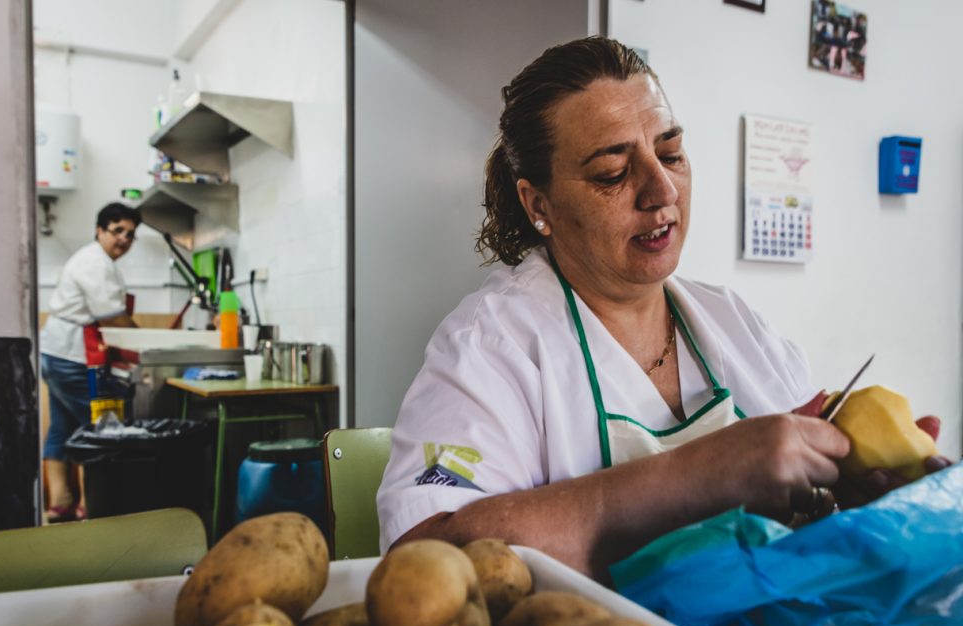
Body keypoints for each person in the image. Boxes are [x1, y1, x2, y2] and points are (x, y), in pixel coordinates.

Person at [376, 37, 948, 581]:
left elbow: (808, 513)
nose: (662, 191)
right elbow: (421, 562)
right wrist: (693, 478)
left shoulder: (733, 323)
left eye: (670, 154)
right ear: (538, 203)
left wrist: (848, 497)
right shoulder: (492, 346)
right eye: (612, 173)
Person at [39, 202, 141, 522]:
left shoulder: (95, 259)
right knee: (101, 429)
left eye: (130, 234)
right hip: (71, 356)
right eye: (117, 230)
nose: (124, 239)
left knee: (62, 428)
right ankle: (93, 506)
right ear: (100, 230)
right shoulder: (95, 262)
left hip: (56, 353)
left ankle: (60, 503)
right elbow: (111, 315)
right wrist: (145, 342)